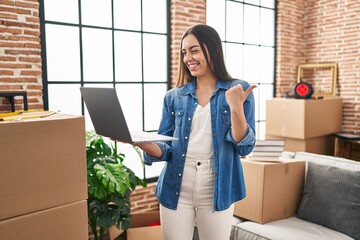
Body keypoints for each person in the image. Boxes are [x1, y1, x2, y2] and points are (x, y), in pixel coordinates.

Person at [133, 24, 256, 240]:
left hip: (217, 186)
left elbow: (244, 146)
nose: (188, 58)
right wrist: (143, 143)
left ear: (213, 50)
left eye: (194, 50)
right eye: (184, 52)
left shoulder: (238, 89)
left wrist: (236, 107)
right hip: (177, 184)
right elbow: (166, 147)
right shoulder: (174, 97)